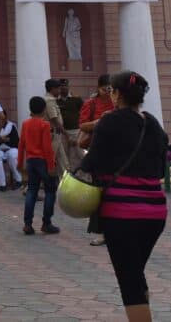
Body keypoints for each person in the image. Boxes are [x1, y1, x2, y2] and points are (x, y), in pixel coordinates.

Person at [80, 71, 169, 322]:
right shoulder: (153, 123)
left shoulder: (109, 121)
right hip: (155, 213)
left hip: (122, 213)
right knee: (135, 275)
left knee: (130, 283)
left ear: (115, 94)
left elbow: (90, 162)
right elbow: (161, 165)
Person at [79, 74, 116, 246]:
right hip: (99, 153)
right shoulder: (91, 103)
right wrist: (100, 121)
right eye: (105, 89)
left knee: (116, 194)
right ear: (99, 87)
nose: (108, 92)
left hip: (117, 154)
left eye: (111, 89)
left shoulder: (118, 102)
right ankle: (102, 232)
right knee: (100, 194)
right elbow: (83, 125)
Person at [18, 96, 59, 236]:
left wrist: (19, 163)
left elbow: (21, 144)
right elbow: (47, 148)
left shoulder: (25, 124)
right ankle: (46, 223)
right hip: (43, 161)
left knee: (32, 191)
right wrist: (51, 165)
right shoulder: (45, 125)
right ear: (43, 110)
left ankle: (27, 224)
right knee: (50, 191)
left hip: (30, 161)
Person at [42, 79, 71, 180]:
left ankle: (65, 184)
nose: (60, 91)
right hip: (53, 135)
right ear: (52, 89)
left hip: (56, 135)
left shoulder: (50, 100)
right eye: (58, 89)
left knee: (63, 162)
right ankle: (30, 187)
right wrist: (67, 135)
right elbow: (55, 120)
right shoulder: (49, 101)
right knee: (51, 162)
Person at [57, 78, 84, 170]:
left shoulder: (76, 99)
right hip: (61, 132)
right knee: (63, 155)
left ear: (68, 86)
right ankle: (66, 175)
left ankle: (77, 175)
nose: (63, 88)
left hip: (75, 131)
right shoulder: (55, 101)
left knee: (76, 154)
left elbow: (84, 113)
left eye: (65, 86)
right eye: (61, 87)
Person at [0, 118, 22, 189]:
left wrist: (5, 140)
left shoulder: (11, 126)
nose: (0, 121)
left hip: (11, 148)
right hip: (0, 149)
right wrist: (2, 140)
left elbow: (15, 140)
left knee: (12, 155)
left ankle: (18, 180)